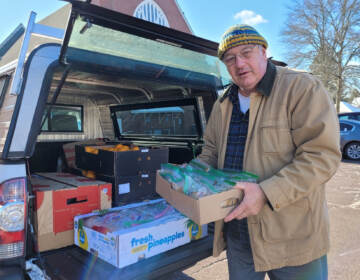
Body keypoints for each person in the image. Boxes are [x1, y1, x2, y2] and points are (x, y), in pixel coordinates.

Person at [198, 24, 341, 279]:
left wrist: (265, 193)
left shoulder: (302, 88)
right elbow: (210, 151)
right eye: (230, 58)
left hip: (293, 236)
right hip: (238, 232)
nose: (239, 63)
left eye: (247, 52)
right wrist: (187, 179)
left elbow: (322, 157)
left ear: (264, 52)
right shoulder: (222, 105)